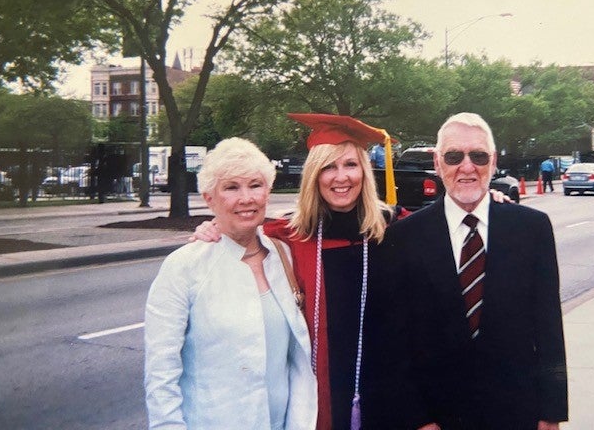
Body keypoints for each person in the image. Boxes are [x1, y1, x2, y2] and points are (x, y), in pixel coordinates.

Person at [192, 113, 412, 429]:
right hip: (320, 392)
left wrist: (494, 203)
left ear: (364, 171)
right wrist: (212, 229)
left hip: (387, 386)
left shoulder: (395, 229)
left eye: (350, 165)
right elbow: (238, 231)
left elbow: (449, 228)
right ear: (313, 175)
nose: (341, 177)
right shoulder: (290, 236)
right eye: (328, 167)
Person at [382, 112, 568, 430]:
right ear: (438, 163)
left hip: (517, 413)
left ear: (492, 162)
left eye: (478, 156)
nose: (467, 167)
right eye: (454, 156)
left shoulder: (532, 229)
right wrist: (416, 418)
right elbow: (397, 341)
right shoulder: (403, 237)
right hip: (438, 417)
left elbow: (548, 327)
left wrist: (552, 410)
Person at [144, 137, 317, 429]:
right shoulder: (184, 267)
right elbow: (161, 375)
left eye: (255, 185)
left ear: (268, 191)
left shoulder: (283, 255)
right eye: (231, 188)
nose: (246, 198)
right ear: (209, 197)